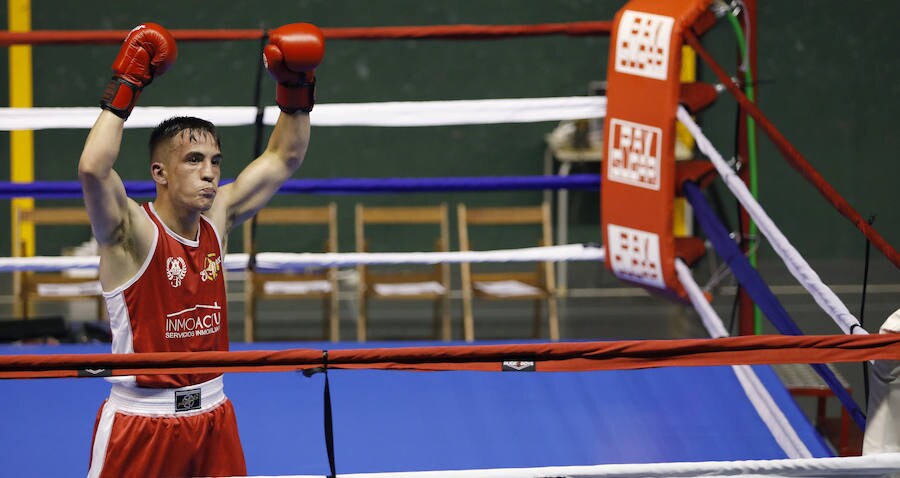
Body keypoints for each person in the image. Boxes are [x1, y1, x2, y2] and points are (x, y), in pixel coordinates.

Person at [79, 22, 324, 477]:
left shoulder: (218, 219)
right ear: (160, 172)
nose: (209, 172)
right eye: (193, 160)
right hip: (142, 423)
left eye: (215, 161)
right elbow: (94, 169)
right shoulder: (130, 231)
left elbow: (283, 158)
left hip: (214, 416)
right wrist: (127, 80)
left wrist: (296, 88)